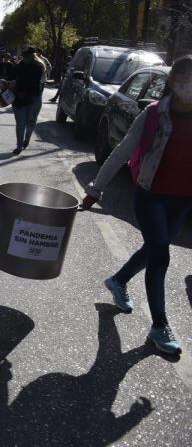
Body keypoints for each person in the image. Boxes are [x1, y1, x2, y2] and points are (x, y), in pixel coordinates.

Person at [82, 56, 192, 356]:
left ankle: (118, 281)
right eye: (182, 79)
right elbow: (121, 152)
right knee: (160, 255)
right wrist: (95, 189)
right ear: (170, 82)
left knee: (154, 248)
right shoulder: (153, 114)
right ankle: (159, 326)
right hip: (150, 194)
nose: (187, 86)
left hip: (183, 199)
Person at [6, 47, 45, 155]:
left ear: (33, 55)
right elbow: (10, 78)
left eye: (27, 56)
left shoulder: (38, 66)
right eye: (24, 56)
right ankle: (19, 145)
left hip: (34, 98)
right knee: (20, 123)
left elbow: (33, 82)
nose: (25, 58)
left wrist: (17, 82)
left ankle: (27, 138)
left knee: (31, 123)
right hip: (19, 99)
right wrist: (8, 82)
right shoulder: (18, 66)